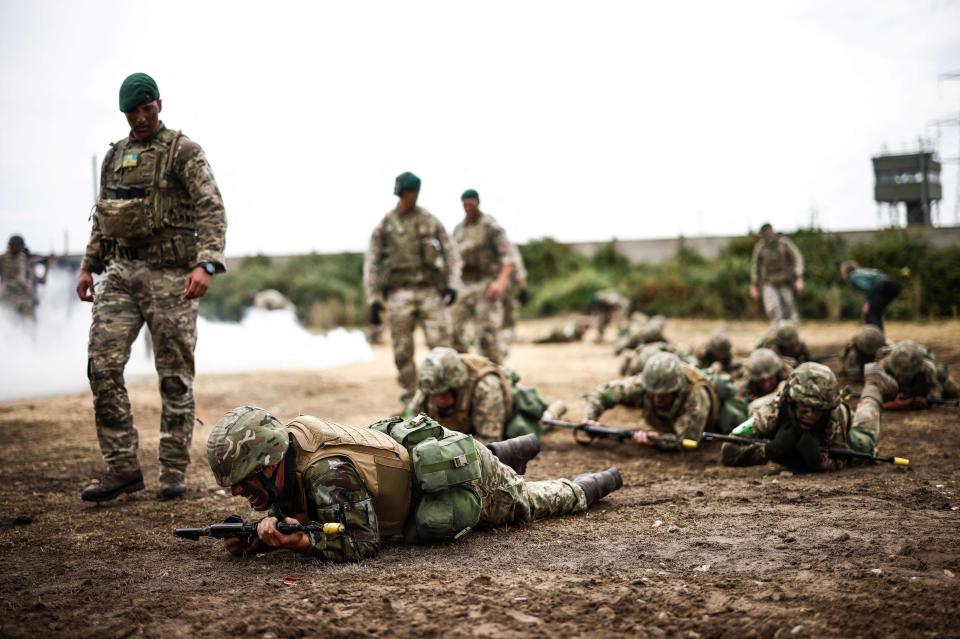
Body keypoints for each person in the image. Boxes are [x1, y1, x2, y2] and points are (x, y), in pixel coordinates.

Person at [206, 406, 622, 560]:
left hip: (454, 481)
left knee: (527, 501)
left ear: (270, 461)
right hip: (420, 462)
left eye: (243, 482)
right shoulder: (291, 447)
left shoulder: (327, 473)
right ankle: (505, 452)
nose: (238, 493)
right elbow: (297, 509)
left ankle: (595, 482)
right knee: (489, 461)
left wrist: (302, 543)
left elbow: (362, 541)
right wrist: (257, 540)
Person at [77, 73, 227, 502]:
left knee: (175, 376)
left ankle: (174, 470)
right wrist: (90, 264)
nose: (141, 118)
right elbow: (104, 216)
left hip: (171, 276)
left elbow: (211, 207)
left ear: (159, 104)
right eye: (132, 112)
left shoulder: (184, 151)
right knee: (102, 367)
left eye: (147, 108)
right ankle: (122, 467)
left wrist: (206, 263)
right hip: (120, 274)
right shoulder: (115, 157)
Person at [363, 172, 461, 403]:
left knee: (441, 345)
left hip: (429, 291)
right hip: (399, 293)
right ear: (401, 193)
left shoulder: (430, 220)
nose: (411, 197)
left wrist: (452, 284)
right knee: (402, 349)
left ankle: (446, 396)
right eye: (407, 194)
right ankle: (411, 399)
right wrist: (374, 299)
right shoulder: (386, 225)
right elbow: (372, 262)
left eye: (413, 193)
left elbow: (452, 254)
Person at [720, 362, 898, 471]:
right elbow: (728, 450)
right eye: (804, 409)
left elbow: (842, 462)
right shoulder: (771, 412)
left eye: (817, 410)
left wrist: (817, 461)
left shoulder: (835, 416)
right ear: (791, 401)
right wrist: (768, 451)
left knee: (863, 444)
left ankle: (874, 386)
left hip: (848, 430)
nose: (810, 416)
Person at [405, 346, 563, 442]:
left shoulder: (486, 387)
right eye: (433, 395)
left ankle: (554, 412)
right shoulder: (432, 384)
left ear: (457, 385)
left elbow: (490, 440)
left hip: (508, 414)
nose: (437, 400)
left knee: (520, 435)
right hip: (466, 429)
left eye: (443, 394)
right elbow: (411, 426)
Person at [581, 352, 719, 451]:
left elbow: (688, 440)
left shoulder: (695, 395)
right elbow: (605, 393)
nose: (656, 398)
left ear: (676, 390)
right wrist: (588, 418)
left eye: (663, 394)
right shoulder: (646, 382)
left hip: (714, 419)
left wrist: (658, 440)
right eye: (652, 393)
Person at [451, 190, 516, 363]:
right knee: (453, 330)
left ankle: (494, 372)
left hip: (487, 283)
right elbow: (453, 260)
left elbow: (509, 257)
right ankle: (466, 368)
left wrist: (500, 283)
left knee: (486, 335)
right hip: (465, 284)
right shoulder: (459, 230)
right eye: (465, 205)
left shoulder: (490, 226)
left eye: (471, 204)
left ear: (478, 203)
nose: (468, 208)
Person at [716, 348, 793, 434]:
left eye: (770, 379)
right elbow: (738, 397)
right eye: (762, 381)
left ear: (777, 373)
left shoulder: (789, 378)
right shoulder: (748, 382)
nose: (767, 385)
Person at [750, 223, 804, 324]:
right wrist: (754, 285)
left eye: (768, 232)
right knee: (773, 309)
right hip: (769, 282)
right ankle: (777, 333)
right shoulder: (760, 247)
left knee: (789, 308)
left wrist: (799, 277)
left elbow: (797, 259)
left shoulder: (784, 243)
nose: (767, 235)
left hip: (786, 282)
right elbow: (755, 267)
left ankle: (791, 334)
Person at [879, 340, 959, 409]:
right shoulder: (885, 365)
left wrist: (924, 401)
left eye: (906, 376)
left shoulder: (928, 369)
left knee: (955, 391)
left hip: (932, 379)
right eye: (899, 374)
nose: (901, 379)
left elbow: (935, 394)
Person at [840, 261, 901, 331]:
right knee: (875, 312)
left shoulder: (853, 276)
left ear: (846, 272)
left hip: (884, 286)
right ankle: (878, 335)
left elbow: (867, 287)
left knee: (870, 312)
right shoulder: (860, 272)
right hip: (892, 284)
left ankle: (875, 338)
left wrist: (869, 303)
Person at [498, 241, 529, 360]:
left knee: (507, 323)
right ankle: (499, 351)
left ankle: (502, 351)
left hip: (506, 292)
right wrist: (524, 287)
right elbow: (519, 269)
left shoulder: (508, 247)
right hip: (494, 291)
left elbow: (518, 267)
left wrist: (523, 289)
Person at [0, 234, 36, 318]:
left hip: (22, 291)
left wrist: (29, 283)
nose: (20, 249)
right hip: (8, 291)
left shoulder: (22, 258)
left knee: (29, 309)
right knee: (9, 313)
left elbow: (28, 274)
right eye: (18, 246)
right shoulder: (3, 258)